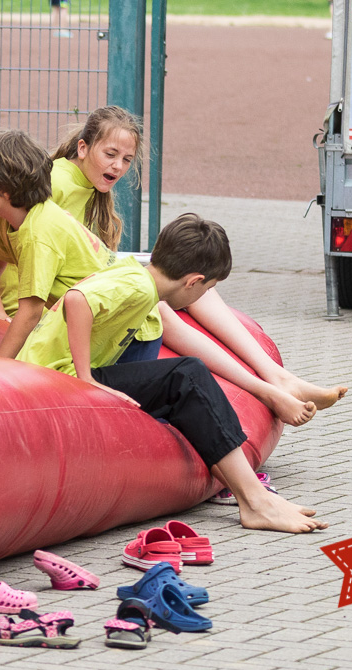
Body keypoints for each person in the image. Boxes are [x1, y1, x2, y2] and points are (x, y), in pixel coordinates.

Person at [15, 106, 348, 425]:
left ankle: (277, 376)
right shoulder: (58, 181)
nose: (117, 167)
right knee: (157, 299)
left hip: (88, 286)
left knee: (192, 283)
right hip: (65, 301)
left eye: (127, 160)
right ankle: (267, 387)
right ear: (83, 148)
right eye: (110, 155)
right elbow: (3, 235)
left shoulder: (91, 187)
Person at [17, 213, 327, 534]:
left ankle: (255, 496)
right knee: (187, 375)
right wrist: (86, 377)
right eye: (208, 288)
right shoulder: (137, 286)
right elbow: (76, 299)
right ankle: (255, 501)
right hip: (55, 383)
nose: (203, 296)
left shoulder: (137, 278)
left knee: (182, 378)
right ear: (193, 281)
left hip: (56, 378)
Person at [0, 130, 110, 359]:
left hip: (112, 323)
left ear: (3, 191)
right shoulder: (11, 221)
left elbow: (31, 312)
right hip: (88, 316)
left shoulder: (38, 232)